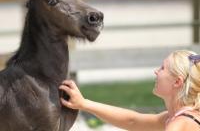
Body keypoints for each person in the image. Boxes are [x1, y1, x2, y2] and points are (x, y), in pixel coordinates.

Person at [59, 50, 200, 131]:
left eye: (163, 68)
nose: (156, 71)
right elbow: (132, 121)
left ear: (177, 82)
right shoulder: (176, 117)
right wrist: (83, 103)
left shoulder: (178, 125)